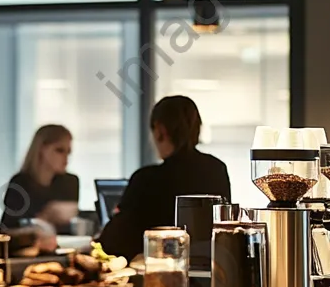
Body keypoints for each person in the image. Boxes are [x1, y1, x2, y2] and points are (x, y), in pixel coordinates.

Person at [99, 96, 231, 261]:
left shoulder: (147, 179)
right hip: (212, 274)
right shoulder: (217, 169)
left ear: (160, 130)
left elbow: (114, 243)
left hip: (161, 274)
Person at [0, 125, 79, 233]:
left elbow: (70, 229)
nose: (66, 158)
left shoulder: (70, 182)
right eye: (59, 150)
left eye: (68, 152)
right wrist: (45, 217)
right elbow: (6, 232)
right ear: (42, 149)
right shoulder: (20, 183)